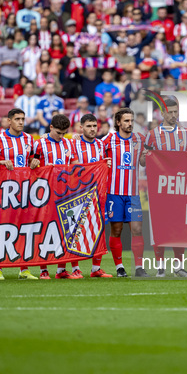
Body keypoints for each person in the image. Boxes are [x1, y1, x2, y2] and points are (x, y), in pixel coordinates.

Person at [140, 98, 187, 278]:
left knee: (180, 227)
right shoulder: (152, 135)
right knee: (159, 228)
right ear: (162, 113)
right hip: (159, 189)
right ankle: (160, 267)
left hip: (181, 187)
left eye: (175, 112)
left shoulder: (186, 134)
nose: (173, 115)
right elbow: (143, 162)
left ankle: (179, 267)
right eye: (170, 112)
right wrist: (144, 156)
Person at [0, 108, 39, 280]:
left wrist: (35, 162)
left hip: (25, 190)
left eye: (23, 119)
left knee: (24, 229)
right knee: (3, 228)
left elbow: (31, 160)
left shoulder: (29, 139)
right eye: (17, 119)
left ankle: (24, 269)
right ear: (9, 121)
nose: (21, 122)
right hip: (4, 190)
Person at [31, 114, 81, 278]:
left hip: (66, 193)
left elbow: (75, 165)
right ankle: (43, 270)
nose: (61, 136)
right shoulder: (39, 144)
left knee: (67, 230)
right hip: (45, 194)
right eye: (58, 133)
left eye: (64, 133)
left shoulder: (68, 143)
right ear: (50, 127)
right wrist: (40, 167)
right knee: (44, 231)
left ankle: (61, 270)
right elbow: (31, 167)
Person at [103, 108, 148, 277]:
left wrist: (145, 156)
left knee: (136, 229)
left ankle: (138, 267)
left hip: (133, 193)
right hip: (114, 193)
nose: (130, 124)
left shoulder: (139, 139)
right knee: (117, 230)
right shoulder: (109, 139)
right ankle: (119, 267)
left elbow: (143, 162)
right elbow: (94, 149)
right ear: (118, 123)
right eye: (126, 121)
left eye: (131, 120)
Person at [70, 114, 113, 278]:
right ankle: (75, 269)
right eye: (89, 126)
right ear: (81, 127)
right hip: (78, 193)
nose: (93, 129)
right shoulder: (74, 143)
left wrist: (106, 164)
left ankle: (96, 269)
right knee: (76, 231)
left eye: (95, 126)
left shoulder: (101, 145)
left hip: (98, 194)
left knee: (99, 230)